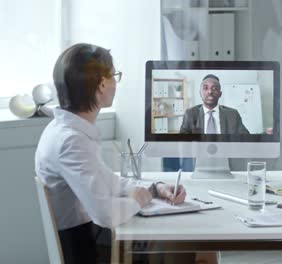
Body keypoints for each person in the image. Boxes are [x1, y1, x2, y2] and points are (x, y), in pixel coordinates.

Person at [35, 43, 186, 264]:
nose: (116, 83)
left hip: (84, 238)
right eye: (114, 76)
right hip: (82, 249)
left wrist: (154, 190)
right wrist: (138, 200)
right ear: (102, 84)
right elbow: (106, 214)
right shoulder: (71, 141)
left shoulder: (65, 130)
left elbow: (105, 180)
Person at [179, 74, 250, 134]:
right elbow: (182, 142)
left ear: (220, 94)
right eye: (205, 88)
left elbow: (246, 139)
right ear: (200, 93)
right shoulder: (190, 114)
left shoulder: (232, 114)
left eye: (214, 88)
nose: (210, 91)